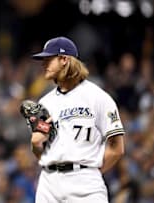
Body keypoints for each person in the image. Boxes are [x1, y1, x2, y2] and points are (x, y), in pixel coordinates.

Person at [30, 36, 125, 203]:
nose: (43, 64)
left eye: (48, 59)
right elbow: (41, 151)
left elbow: (117, 148)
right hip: (49, 184)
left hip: (86, 183)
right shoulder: (45, 103)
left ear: (64, 59)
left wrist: (89, 172)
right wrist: (35, 145)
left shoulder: (98, 97)